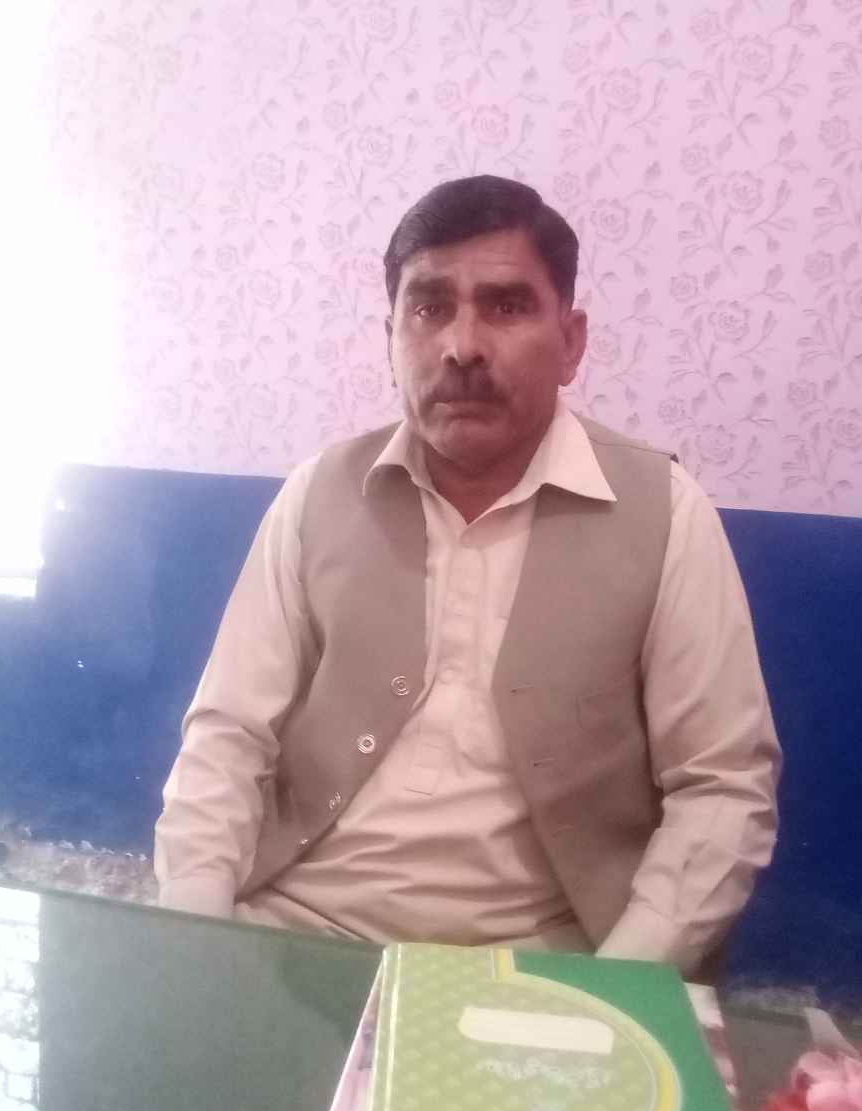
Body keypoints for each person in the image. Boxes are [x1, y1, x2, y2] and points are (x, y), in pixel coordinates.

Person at [154, 174, 780, 977]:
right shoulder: (318, 495)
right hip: (299, 932)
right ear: (390, 336)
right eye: (429, 307)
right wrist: (198, 941)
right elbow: (228, 737)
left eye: (507, 306)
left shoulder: (665, 513)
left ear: (572, 342)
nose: (462, 347)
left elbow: (722, 787)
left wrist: (616, 990)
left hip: (549, 964)